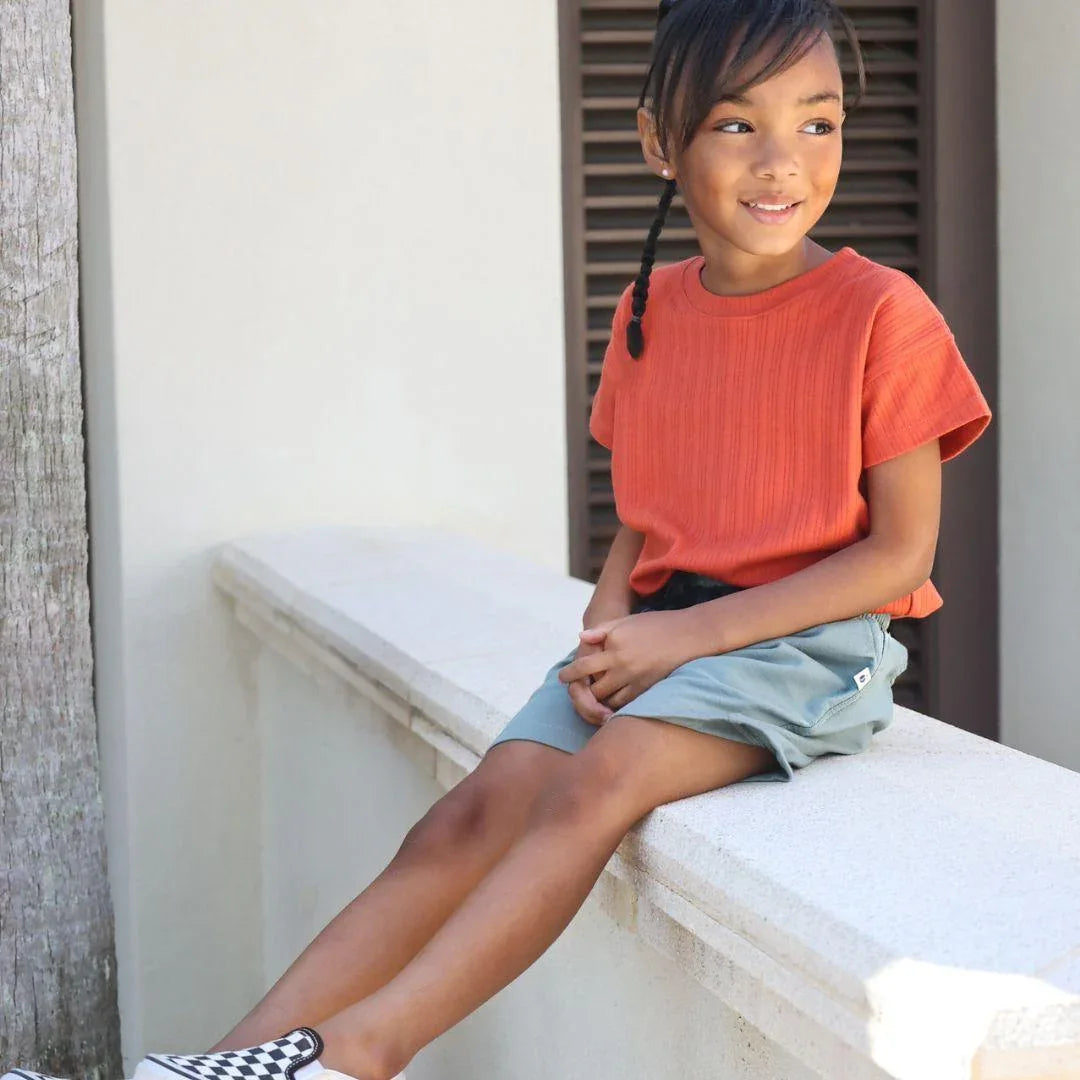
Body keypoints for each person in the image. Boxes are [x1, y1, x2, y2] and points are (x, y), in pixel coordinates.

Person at [2, 2, 992, 1080]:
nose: (784, 163)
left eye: (819, 123)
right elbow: (649, 515)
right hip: (667, 637)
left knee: (596, 783)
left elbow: (898, 558)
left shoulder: (881, 313)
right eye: (737, 125)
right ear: (660, 141)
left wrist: (684, 640)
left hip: (806, 651)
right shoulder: (645, 311)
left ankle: (356, 1055)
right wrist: (610, 621)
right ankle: (227, 1065)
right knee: (465, 819)